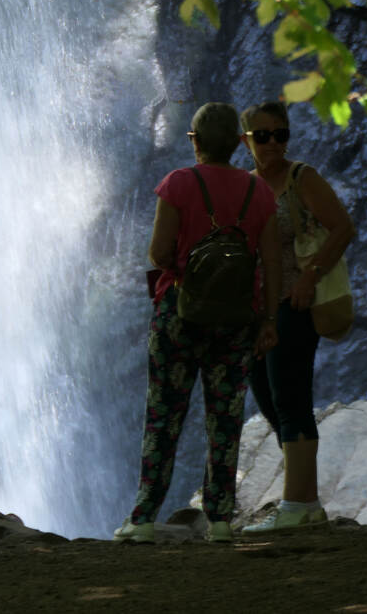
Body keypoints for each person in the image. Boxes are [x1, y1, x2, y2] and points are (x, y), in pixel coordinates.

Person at [115, 102, 281, 544]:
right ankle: (221, 520)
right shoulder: (258, 191)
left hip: (180, 316)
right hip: (237, 320)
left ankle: (144, 519)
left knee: (164, 415)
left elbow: (159, 254)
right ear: (240, 143)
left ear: (195, 142)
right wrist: (268, 319)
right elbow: (271, 261)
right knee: (224, 418)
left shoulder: (179, 184)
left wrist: (188, 266)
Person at [240, 101, 355, 533]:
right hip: (260, 312)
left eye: (281, 134)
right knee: (269, 399)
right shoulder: (247, 186)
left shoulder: (301, 178)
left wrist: (309, 278)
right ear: (244, 139)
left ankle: (294, 507)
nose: (273, 143)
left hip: (296, 304)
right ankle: (307, 502)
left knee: (290, 399)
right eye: (263, 135)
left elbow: (343, 227)